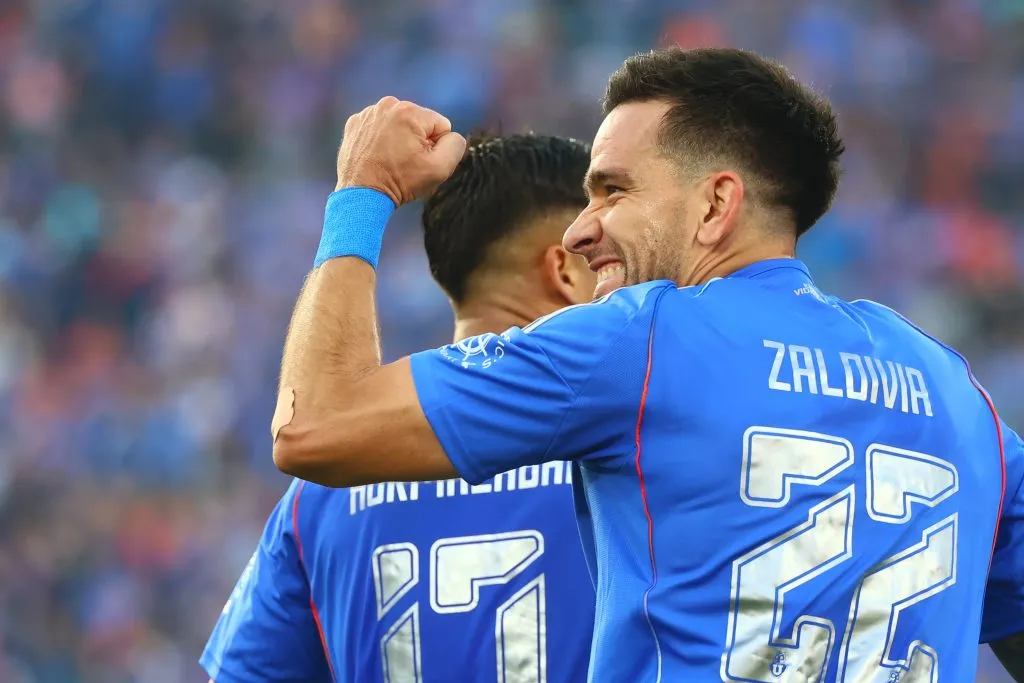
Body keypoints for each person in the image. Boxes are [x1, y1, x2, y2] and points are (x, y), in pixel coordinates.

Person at [269, 46, 1024, 682]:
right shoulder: (960, 395)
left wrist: (364, 191)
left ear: (714, 205)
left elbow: (312, 426)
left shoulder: (638, 338)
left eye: (612, 190)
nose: (580, 226)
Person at [201, 134, 598, 683]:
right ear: (567, 269)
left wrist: (359, 200)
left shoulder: (324, 486)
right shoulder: (621, 439)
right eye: (606, 254)